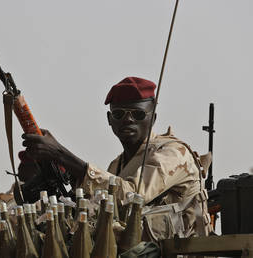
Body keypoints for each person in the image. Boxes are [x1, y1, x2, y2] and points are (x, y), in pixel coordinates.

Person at [22, 76, 212, 240]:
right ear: (109, 120)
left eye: (137, 114)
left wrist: (61, 154)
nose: (128, 120)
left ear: (153, 118)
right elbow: (101, 208)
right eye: (119, 114)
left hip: (183, 251)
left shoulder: (173, 153)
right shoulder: (118, 165)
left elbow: (133, 196)